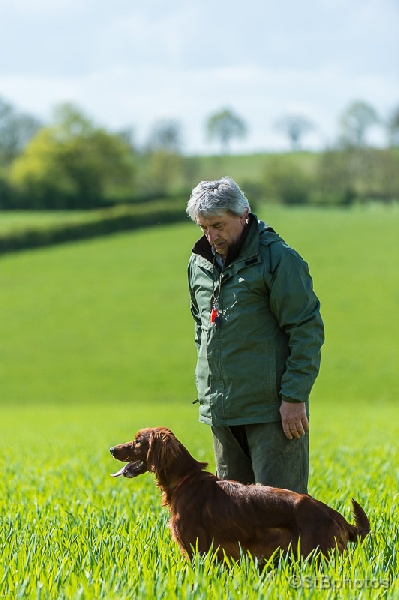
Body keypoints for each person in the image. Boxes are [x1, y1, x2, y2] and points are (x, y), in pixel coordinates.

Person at [186, 176, 324, 494]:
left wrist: (293, 397)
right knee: (233, 518)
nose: (211, 236)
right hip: (222, 410)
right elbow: (201, 328)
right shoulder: (198, 263)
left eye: (218, 225)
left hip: (272, 412)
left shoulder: (279, 260)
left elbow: (306, 330)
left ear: (243, 214)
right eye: (204, 227)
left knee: (279, 516)